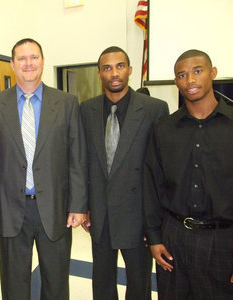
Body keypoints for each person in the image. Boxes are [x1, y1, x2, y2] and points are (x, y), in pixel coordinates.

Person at [0, 38, 87, 300]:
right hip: (9, 208)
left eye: (34, 57)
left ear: (42, 61)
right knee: (14, 283)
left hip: (55, 207)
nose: (28, 63)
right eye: (22, 58)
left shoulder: (66, 103)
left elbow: (77, 158)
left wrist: (78, 205)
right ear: (12, 64)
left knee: (56, 281)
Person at [80, 46, 169, 300]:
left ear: (130, 70)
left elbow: (160, 170)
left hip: (138, 214)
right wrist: (83, 205)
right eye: (107, 68)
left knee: (139, 283)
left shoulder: (154, 109)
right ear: (99, 74)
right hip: (100, 214)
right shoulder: (87, 109)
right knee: (102, 281)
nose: (114, 73)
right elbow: (82, 161)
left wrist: (155, 220)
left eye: (120, 66)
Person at [144, 49, 233, 299]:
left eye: (197, 71)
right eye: (182, 75)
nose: (190, 80)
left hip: (223, 241)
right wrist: (154, 238)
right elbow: (152, 186)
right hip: (174, 238)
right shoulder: (164, 129)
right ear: (176, 82)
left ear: (213, 73)